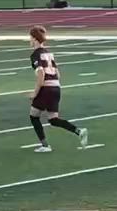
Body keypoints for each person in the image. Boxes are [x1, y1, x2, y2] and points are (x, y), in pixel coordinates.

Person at [27, 25, 89, 153]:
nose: (29, 40)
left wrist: (35, 92)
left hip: (46, 88)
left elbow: (41, 74)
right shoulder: (49, 54)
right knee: (53, 119)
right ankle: (79, 131)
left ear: (35, 39)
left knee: (34, 116)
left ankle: (45, 145)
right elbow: (58, 73)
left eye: (31, 38)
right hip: (56, 87)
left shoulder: (35, 55)